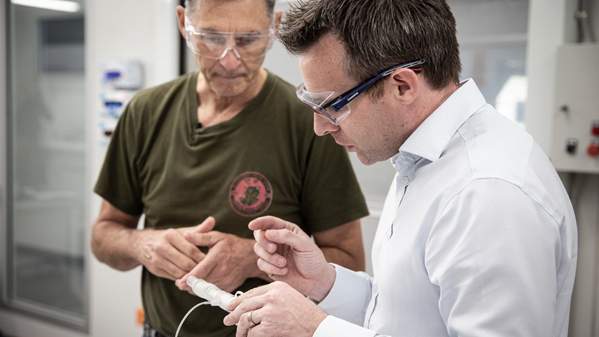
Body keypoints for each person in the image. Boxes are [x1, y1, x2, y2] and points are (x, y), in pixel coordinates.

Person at [222, 1, 578, 336]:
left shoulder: (488, 192)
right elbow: (408, 315)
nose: (320, 127)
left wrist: (316, 329)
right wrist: (325, 283)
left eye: (331, 105)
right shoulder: (424, 161)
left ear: (403, 86)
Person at [90, 0, 370, 336]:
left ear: (274, 29)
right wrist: (143, 245)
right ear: (183, 24)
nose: (229, 59)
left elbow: (350, 262)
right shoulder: (146, 113)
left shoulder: (305, 122)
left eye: (248, 40)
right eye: (211, 37)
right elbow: (103, 236)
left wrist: (254, 259)